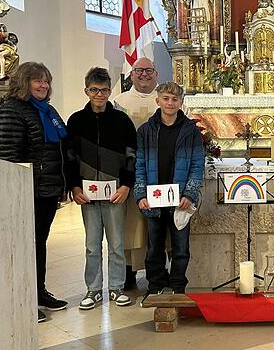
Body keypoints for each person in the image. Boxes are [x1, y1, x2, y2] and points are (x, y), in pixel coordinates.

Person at [0, 62, 69, 323]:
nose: (43, 85)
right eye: (37, 81)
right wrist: (19, 192)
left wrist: (61, 185)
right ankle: (22, 300)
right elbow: (8, 159)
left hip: (45, 190)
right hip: (23, 193)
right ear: (24, 82)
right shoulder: (10, 112)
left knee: (38, 243)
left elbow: (56, 151)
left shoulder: (47, 111)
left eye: (46, 81)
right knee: (22, 246)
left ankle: (38, 291)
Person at [66, 68, 137, 310]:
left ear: (110, 91)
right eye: (94, 90)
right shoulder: (76, 121)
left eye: (104, 90)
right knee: (91, 244)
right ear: (86, 90)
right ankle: (93, 289)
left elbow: (131, 155)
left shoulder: (121, 121)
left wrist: (127, 185)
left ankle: (116, 287)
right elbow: (70, 156)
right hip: (87, 193)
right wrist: (74, 186)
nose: (99, 94)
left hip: (115, 192)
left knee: (117, 244)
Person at [134, 82, 204, 302]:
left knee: (180, 247)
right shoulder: (146, 130)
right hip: (154, 198)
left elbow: (197, 165)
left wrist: (189, 194)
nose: (170, 103)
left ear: (181, 102)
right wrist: (141, 194)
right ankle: (155, 285)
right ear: (158, 101)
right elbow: (139, 164)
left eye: (175, 99)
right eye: (166, 98)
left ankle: (177, 286)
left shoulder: (190, 131)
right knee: (154, 246)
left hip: (180, 199)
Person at [112, 57, 159, 289]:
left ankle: (157, 269)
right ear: (131, 75)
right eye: (139, 71)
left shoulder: (165, 100)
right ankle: (129, 271)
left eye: (148, 71)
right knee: (131, 224)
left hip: (160, 170)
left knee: (158, 222)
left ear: (156, 74)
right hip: (130, 171)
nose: (144, 75)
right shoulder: (119, 102)